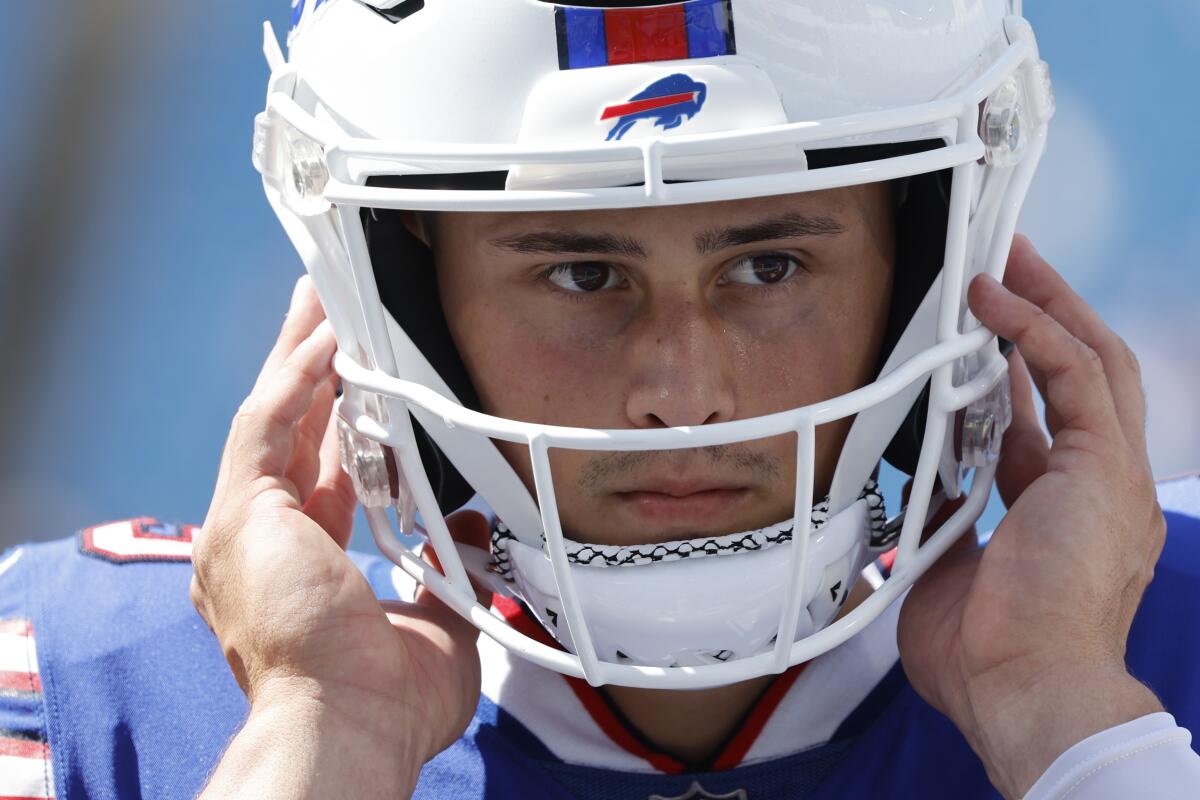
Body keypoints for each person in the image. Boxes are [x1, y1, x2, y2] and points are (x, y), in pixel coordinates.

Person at [2, 1, 1199, 798]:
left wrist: (1064, 708)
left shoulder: (1169, 654)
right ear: (399, 298)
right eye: (581, 274)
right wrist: (322, 737)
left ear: (934, 272)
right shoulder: (81, 693)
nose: (681, 393)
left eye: (768, 265)